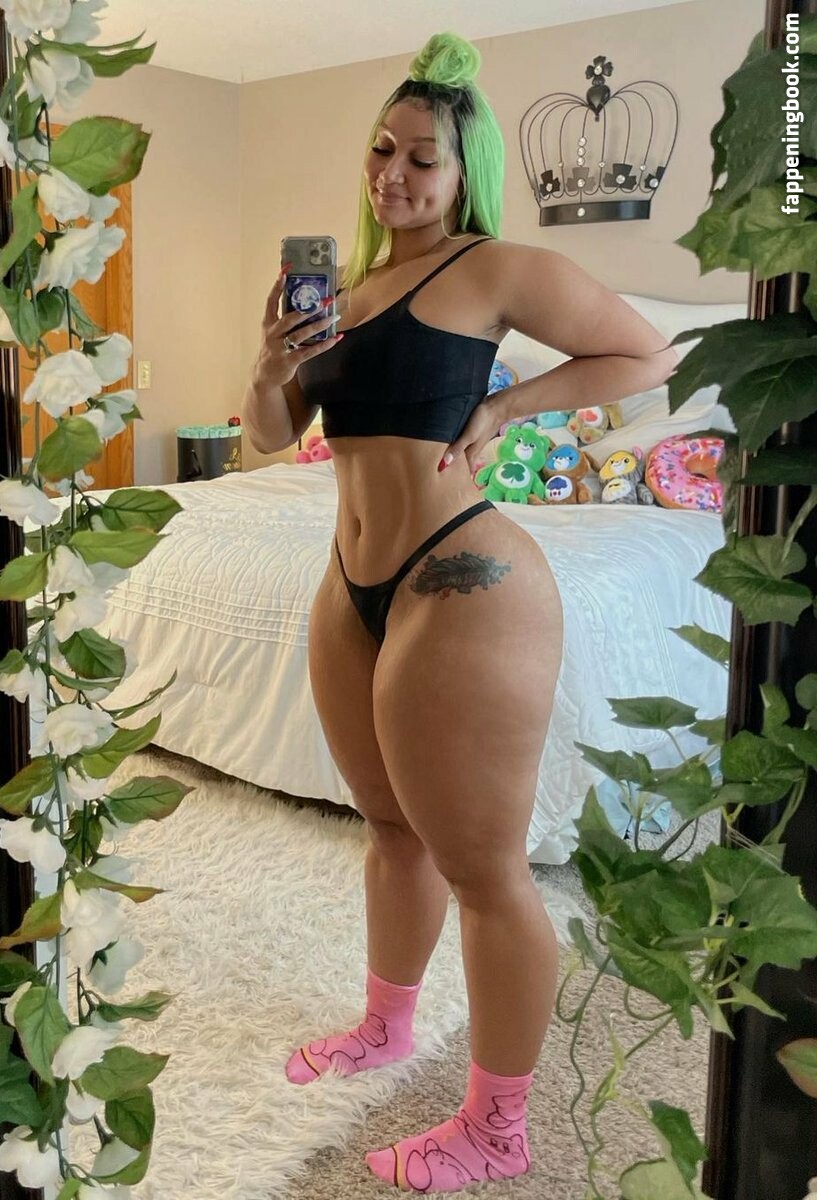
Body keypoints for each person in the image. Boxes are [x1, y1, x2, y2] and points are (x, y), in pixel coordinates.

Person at [241, 30, 675, 1194]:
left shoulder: (493, 268)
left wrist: (510, 408)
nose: (394, 174)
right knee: (388, 829)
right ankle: (385, 1029)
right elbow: (271, 438)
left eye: (422, 158)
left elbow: (642, 353)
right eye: (382, 149)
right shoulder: (335, 291)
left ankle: (497, 1129)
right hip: (350, 583)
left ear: (461, 170)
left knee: (484, 870)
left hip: (462, 575)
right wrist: (269, 362)